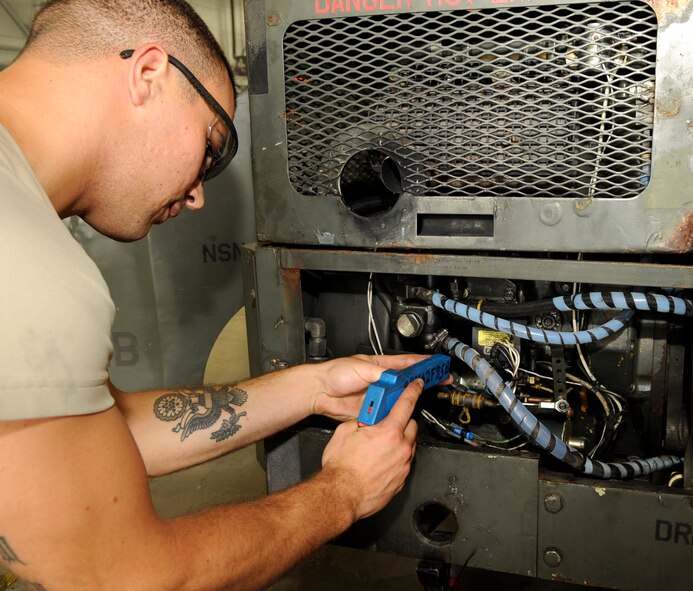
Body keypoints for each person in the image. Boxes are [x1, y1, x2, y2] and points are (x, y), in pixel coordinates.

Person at [0, 1, 431, 590]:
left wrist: (313, 388)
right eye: (213, 144)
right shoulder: (21, 250)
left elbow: (106, 436)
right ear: (149, 74)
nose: (200, 194)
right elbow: (127, 578)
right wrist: (345, 492)